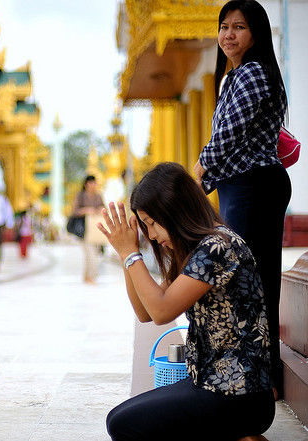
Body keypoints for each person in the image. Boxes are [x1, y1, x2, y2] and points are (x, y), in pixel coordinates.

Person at [101, 163, 274, 441]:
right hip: (208, 383)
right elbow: (146, 312)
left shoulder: (218, 246)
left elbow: (161, 311)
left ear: (176, 210)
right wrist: (126, 255)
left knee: (125, 424)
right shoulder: (198, 249)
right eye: (145, 226)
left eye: (152, 223)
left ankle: (238, 431)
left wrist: (132, 254)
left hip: (239, 392)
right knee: (117, 418)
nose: (152, 235)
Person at [193, 0, 290, 398]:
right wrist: (202, 184)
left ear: (256, 34)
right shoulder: (233, 77)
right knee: (249, 280)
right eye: (224, 27)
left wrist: (196, 172)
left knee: (252, 281)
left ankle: (261, 381)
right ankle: (259, 378)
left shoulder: (253, 73)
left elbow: (227, 136)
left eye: (239, 27)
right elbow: (230, 145)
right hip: (241, 185)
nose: (229, 35)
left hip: (255, 186)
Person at [72, 175, 105, 284]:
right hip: (84, 229)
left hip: (96, 229)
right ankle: (91, 276)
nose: (93, 185)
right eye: (91, 183)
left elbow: (103, 208)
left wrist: (100, 209)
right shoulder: (80, 196)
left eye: (94, 183)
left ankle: (87, 277)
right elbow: (74, 211)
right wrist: (86, 210)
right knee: (89, 253)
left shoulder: (98, 196)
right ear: (86, 184)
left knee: (94, 253)